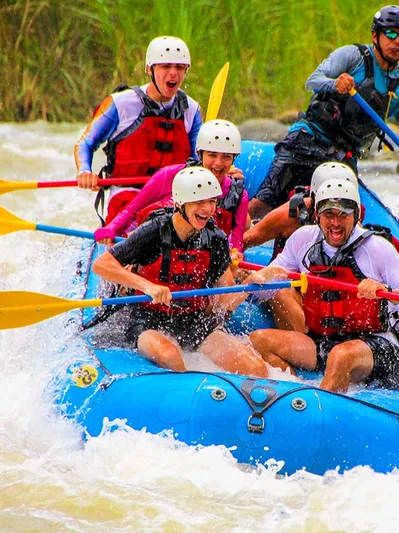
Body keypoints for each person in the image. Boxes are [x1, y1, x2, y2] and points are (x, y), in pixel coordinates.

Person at [248, 5, 399, 220]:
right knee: (264, 202)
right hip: (307, 140)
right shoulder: (353, 56)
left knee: (340, 218)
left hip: (344, 158)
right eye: (390, 33)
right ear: (375, 36)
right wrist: (334, 84)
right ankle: (238, 241)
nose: (397, 41)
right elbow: (312, 81)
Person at [241, 162, 399, 359]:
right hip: (316, 326)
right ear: (316, 205)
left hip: (365, 338)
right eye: (329, 211)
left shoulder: (376, 245)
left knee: (341, 355)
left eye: (343, 211)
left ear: (355, 210)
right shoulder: (300, 231)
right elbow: (251, 246)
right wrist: (254, 278)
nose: (336, 221)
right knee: (276, 298)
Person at [92, 167, 267, 377]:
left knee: (255, 367)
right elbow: (102, 264)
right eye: (199, 202)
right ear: (180, 203)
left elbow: (224, 300)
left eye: (212, 201)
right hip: (148, 319)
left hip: (195, 321)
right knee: (170, 356)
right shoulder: (154, 230)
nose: (208, 209)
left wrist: (250, 287)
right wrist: (147, 286)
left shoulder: (216, 239)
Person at [75, 36, 202, 223]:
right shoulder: (120, 104)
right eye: (166, 67)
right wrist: (85, 171)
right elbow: (85, 143)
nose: (173, 73)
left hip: (171, 197)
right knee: (142, 225)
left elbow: (199, 160)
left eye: (179, 67)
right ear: (149, 69)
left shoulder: (192, 110)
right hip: (127, 195)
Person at [93, 120, 248, 252]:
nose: (218, 163)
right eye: (212, 155)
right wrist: (111, 229)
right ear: (200, 154)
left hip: (199, 260)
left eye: (226, 157)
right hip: (157, 251)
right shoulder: (169, 176)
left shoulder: (238, 195)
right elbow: (132, 211)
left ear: (234, 158)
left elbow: (235, 242)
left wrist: (234, 254)